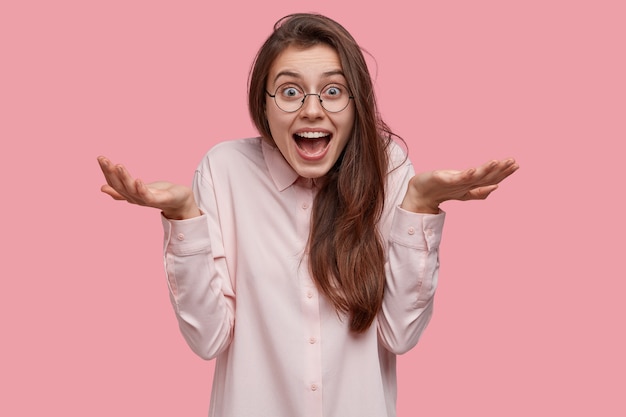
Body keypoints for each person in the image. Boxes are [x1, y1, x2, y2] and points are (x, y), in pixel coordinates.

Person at [98, 13, 518, 417]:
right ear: (264, 106)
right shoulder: (224, 170)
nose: (312, 110)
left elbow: (400, 333)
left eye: (333, 91)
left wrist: (421, 206)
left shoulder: (389, 169)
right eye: (290, 91)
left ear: (356, 104)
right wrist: (183, 216)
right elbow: (208, 339)